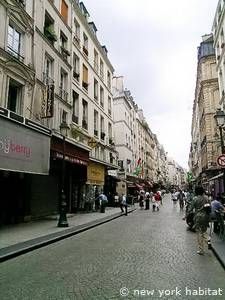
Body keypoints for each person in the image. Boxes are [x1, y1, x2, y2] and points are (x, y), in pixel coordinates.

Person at [191, 186, 211, 255]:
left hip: (198, 217)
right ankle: (208, 239)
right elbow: (209, 208)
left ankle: (201, 249)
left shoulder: (195, 199)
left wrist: (186, 215)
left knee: (199, 232)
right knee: (204, 231)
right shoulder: (206, 198)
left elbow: (191, 208)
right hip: (206, 216)